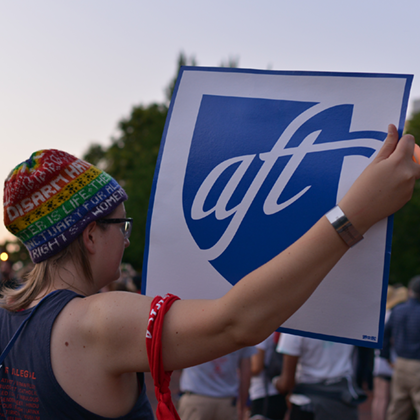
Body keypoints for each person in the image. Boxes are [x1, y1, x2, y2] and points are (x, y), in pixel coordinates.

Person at [0, 123, 418, 419]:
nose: (127, 239)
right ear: (90, 236)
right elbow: (236, 322)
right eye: (121, 225)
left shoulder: (9, 317)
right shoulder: (96, 320)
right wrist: (354, 215)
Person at [273, 334, 363, 420]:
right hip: (343, 400)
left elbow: (287, 383)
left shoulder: (295, 325)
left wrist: (275, 382)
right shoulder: (349, 322)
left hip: (307, 405)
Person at [381, 276, 420, 420]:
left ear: (410, 291)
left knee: (398, 408)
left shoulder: (398, 310)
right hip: (418, 365)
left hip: (400, 364)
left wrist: (386, 357)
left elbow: (384, 335)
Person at [177, 348, 255, 420]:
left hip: (196, 400)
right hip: (227, 404)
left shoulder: (191, 332)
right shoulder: (243, 333)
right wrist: (242, 407)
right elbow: (246, 374)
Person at [371, 285, 408, 420]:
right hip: (389, 361)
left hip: (378, 360)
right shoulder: (391, 315)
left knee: (378, 398)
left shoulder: (380, 315)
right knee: (387, 399)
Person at [249, 332, 288, 420]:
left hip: (263, 394)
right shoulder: (273, 330)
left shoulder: (260, 332)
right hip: (280, 391)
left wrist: (239, 367)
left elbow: (256, 367)